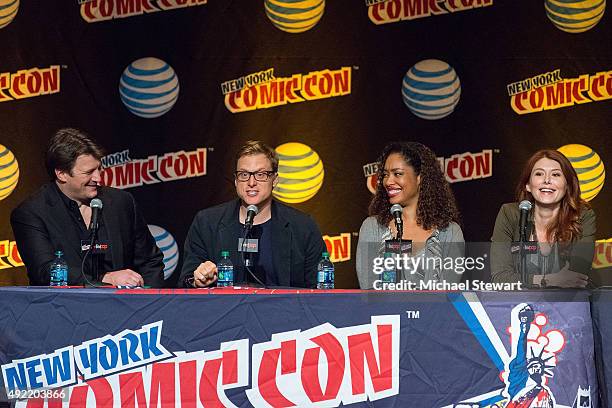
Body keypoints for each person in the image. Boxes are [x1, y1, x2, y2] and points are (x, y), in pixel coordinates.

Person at [11, 128, 164, 287]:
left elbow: (150, 261)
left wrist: (149, 306)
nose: (98, 178)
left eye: (99, 168)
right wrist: (106, 278)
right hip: (64, 308)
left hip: (125, 308)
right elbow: (44, 271)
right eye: (89, 172)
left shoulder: (122, 202)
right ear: (62, 174)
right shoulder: (31, 213)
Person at [179, 140, 327, 288]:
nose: (251, 182)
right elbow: (186, 281)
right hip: (225, 310)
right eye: (244, 174)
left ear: (275, 180)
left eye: (261, 174)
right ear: (236, 180)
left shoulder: (303, 227)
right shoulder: (207, 222)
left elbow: (320, 290)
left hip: (284, 310)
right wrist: (197, 280)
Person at [356, 141, 464, 289]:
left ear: (420, 177)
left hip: (433, 312)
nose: (388, 181)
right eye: (385, 175)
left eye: (397, 174)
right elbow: (368, 290)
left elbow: (447, 294)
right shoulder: (373, 228)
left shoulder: (449, 232)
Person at [491, 149, 596, 288]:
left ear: (567, 185)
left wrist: (529, 281)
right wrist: (548, 280)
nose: (547, 180)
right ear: (527, 185)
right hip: (519, 305)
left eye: (556, 174)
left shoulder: (583, 216)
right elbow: (500, 278)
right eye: (539, 174)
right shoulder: (510, 214)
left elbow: (575, 278)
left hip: (568, 303)